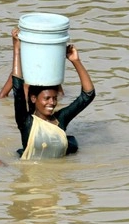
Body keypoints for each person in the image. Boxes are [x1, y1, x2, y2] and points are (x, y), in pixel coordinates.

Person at [8, 28, 95, 159]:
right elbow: (18, 89)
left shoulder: (61, 119)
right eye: (47, 98)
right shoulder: (26, 122)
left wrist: (76, 61)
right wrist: (17, 49)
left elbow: (88, 95)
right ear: (33, 98)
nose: (52, 103)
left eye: (54, 98)